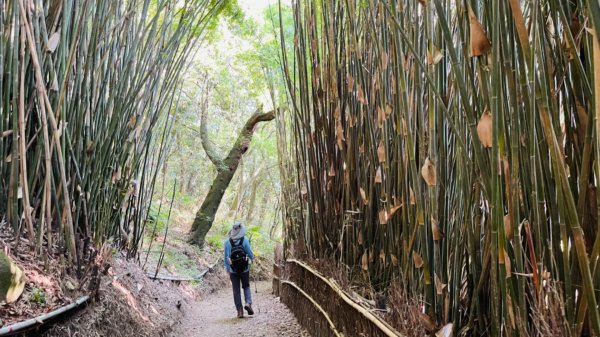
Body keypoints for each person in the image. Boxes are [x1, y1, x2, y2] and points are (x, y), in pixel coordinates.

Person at [224, 221, 255, 318]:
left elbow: (226, 257)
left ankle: (240, 311)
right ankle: (248, 303)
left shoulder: (227, 242)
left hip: (233, 270)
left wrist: (228, 269)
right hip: (244, 269)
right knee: (246, 286)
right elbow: (249, 253)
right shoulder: (245, 240)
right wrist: (253, 259)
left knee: (236, 290)